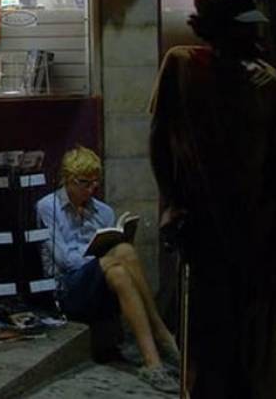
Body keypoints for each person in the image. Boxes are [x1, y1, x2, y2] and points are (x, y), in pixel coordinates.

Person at [149, 0, 276, 399]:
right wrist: (170, 204)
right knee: (206, 342)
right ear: (216, 29)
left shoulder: (266, 82)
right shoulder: (181, 67)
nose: (254, 34)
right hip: (202, 230)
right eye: (243, 26)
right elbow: (159, 142)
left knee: (251, 346)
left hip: (257, 231)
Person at [37, 145, 181, 394]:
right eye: (84, 183)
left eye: (95, 183)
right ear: (68, 180)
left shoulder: (103, 211)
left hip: (102, 280)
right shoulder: (48, 207)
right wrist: (98, 258)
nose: (91, 189)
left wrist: (107, 256)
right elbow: (64, 260)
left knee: (122, 259)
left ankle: (153, 363)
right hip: (67, 287)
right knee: (117, 258)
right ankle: (161, 333)